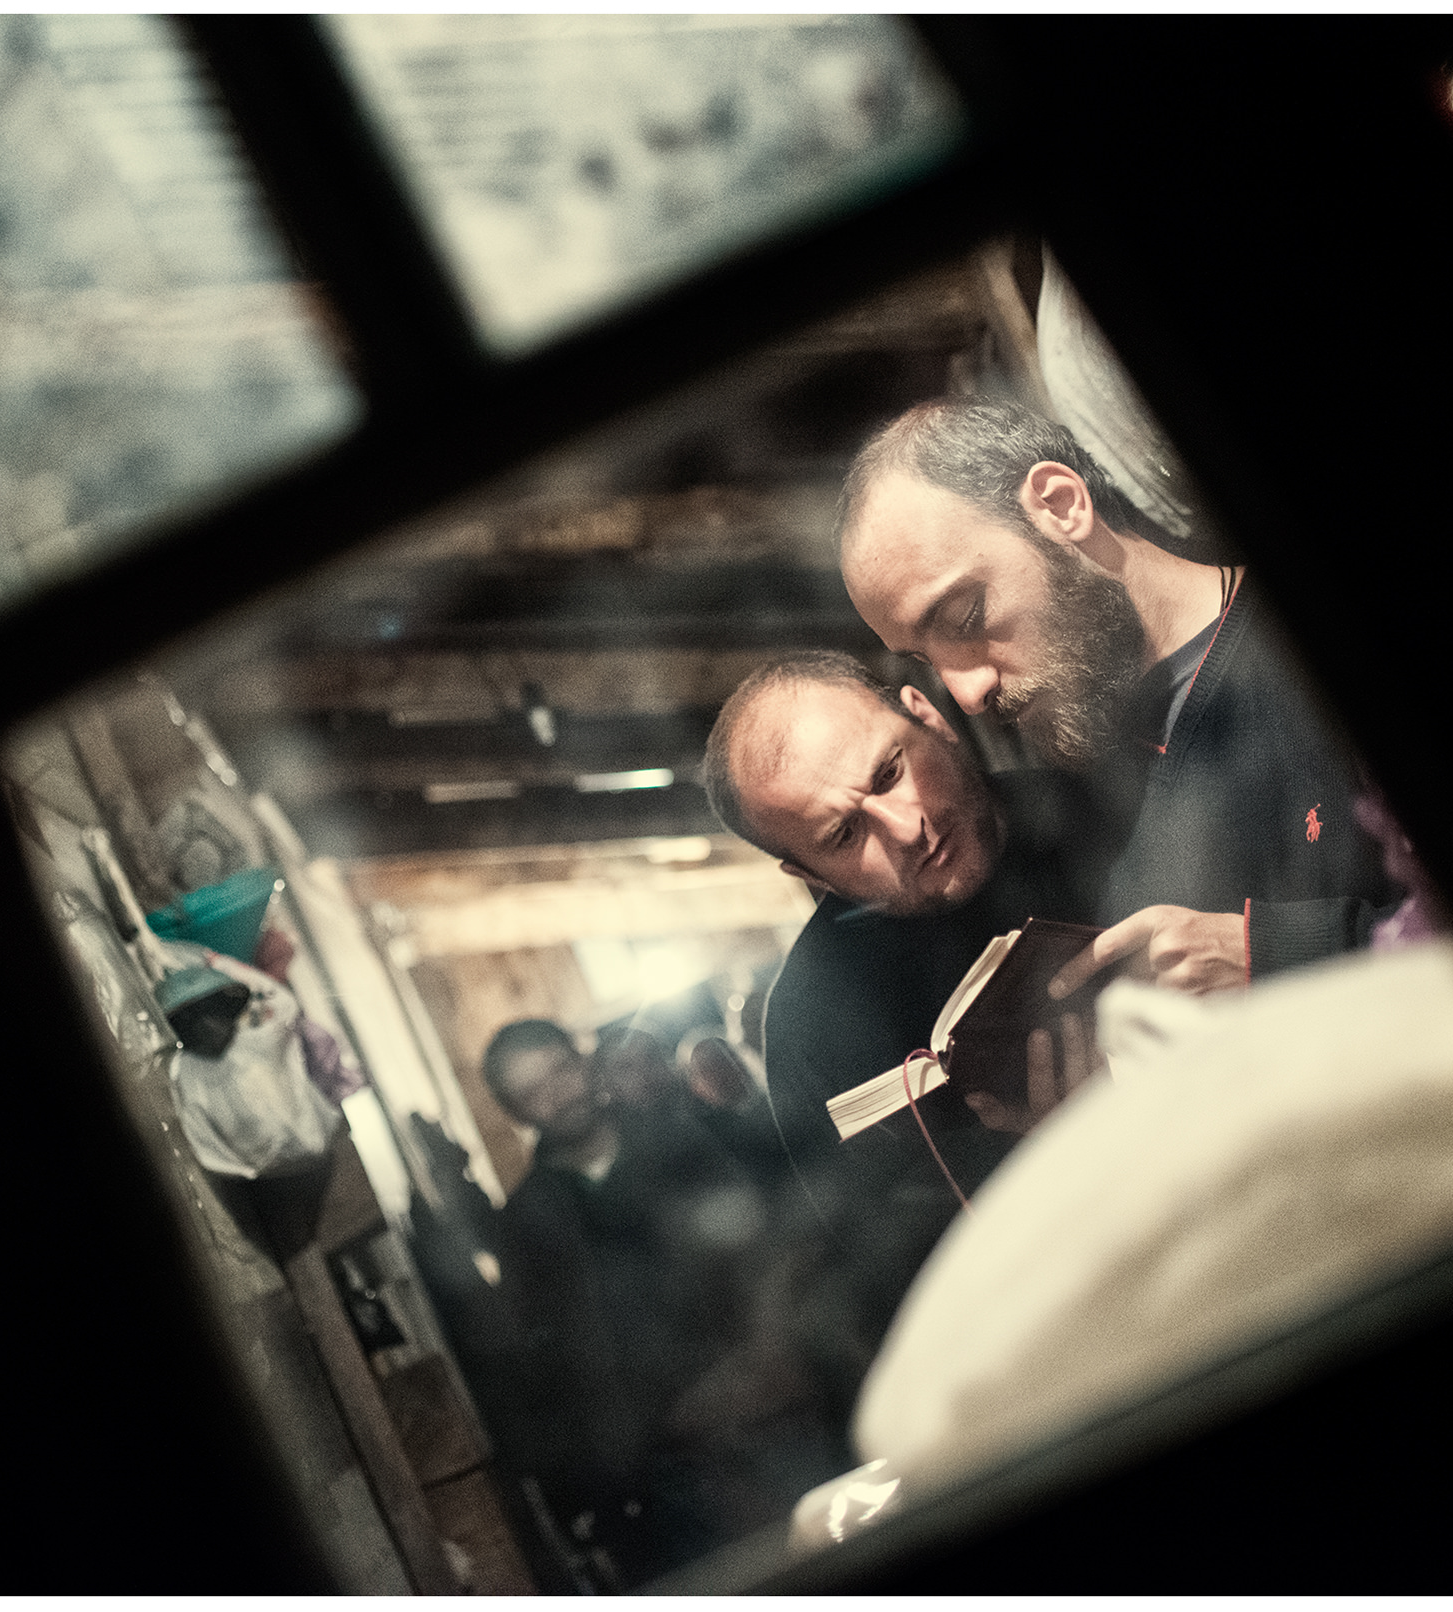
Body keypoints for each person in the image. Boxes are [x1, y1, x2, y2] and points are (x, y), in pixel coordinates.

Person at [835, 396, 1397, 998]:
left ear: (1061, 506)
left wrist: (1282, 956)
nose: (967, 694)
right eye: (925, 660)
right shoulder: (1096, 788)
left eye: (965, 615)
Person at [703, 651, 1118, 1400]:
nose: (905, 827)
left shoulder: (1108, 803)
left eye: (889, 772)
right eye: (841, 836)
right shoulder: (810, 1025)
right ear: (811, 877)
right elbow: (891, 1302)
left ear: (928, 717)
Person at [477, 1019, 841, 1589]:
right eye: (531, 1092)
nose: (557, 1094)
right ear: (515, 1112)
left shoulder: (682, 1136)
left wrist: (775, 1357)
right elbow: (566, 1366)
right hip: (674, 1468)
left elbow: (770, 1249)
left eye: (559, 1071)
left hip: (778, 1406)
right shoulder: (527, 1223)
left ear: (584, 1064)